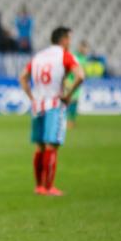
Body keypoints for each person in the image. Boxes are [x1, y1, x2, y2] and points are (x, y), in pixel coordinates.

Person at [19, 27, 84, 196]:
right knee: (51, 145)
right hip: (54, 104)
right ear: (63, 40)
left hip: (38, 105)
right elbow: (80, 75)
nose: (70, 43)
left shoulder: (39, 56)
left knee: (39, 146)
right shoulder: (64, 55)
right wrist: (68, 94)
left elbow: (22, 76)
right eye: (69, 39)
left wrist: (31, 97)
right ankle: (49, 187)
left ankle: (39, 186)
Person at [65, 40, 90, 128]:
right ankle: (68, 121)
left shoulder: (84, 59)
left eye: (86, 48)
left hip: (78, 83)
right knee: (70, 101)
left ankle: (71, 121)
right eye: (83, 47)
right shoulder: (74, 56)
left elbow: (84, 72)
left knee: (74, 102)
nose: (85, 50)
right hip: (70, 82)